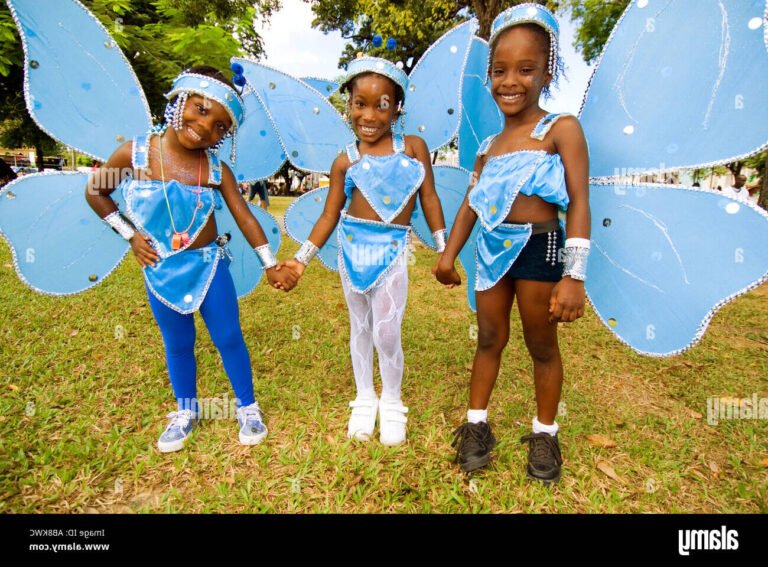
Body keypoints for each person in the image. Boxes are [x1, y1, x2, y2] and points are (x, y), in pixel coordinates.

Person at [85, 65, 298, 453]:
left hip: (208, 265)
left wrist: (270, 263)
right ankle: (186, 410)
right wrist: (131, 235)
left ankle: (247, 407)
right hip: (160, 269)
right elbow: (96, 193)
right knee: (178, 342)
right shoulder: (134, 153)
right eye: (200, 110)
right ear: (178, 101)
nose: (205, 128)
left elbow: (244, 215)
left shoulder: (216, 169)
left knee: (229, 337)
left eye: (219, 127)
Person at [435, 4, 590, 483]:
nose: (511, 81)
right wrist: (447, 253)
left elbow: (580, 202)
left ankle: (545, 433)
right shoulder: (488, 146)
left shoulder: (560, 129)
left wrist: (573, 275)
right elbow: (471, 205)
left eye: (526, 70)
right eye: (500, 70)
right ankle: (477, 425)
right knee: (488, 338)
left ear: (547, 72)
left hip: (540, 247)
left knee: (540, 344)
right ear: (489, 75)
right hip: (490, 249)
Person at [284, 56, 448, 446]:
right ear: (349, 105)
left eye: (381, 105)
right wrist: (301, 259)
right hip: (352, 247)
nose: (369, 114)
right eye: (360, 103)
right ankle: (364, 397)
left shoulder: (413, 149)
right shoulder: (346, 160)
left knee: (387, 332)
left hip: (392, 249)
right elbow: (329, 214)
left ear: (397, 108)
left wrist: (444, 249)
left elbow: (429, 198)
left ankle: (392, 401)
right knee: (359, 327)